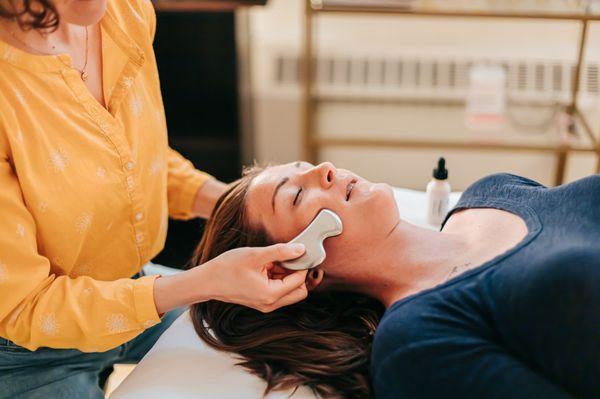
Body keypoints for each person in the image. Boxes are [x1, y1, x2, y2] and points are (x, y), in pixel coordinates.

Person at [0, 1, 308, 397]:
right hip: (30, 350)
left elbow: (132, 159)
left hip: (131, 289)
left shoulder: (123, 13)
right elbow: (23, 306)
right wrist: (205, 282)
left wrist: (241, 204)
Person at [190, 161, 600, 399]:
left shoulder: (492, 191)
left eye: (308, 165)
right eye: (296, 195)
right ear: (294, 266)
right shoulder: (415, 343)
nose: (326, 170)